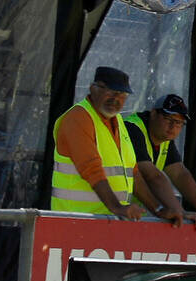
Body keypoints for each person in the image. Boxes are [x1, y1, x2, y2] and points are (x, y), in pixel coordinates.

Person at [51, 66, 183, 226]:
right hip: (75, 223)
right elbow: (90, 168)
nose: (116, 99)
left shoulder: (118, 121)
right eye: (111, 92)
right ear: (93, 89)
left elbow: (133, 175)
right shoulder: (78, 118)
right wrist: (117, 207)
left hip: (107, 224)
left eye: (122, 94)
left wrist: (158, 209)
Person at [125, 94, 196, 230]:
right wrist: (180, 213)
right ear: (153, 113)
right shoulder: (133, 129)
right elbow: (153, 176)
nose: (173, 126)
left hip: (127, 212)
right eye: (168, 119)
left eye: (179, 122)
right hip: (107, 210)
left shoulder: (163, 138)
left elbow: (180, 174)